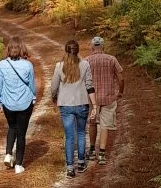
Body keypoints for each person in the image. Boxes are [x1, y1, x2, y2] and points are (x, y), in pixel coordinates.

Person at [49, 38, 96, 178]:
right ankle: (81, 162)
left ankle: (70, 167)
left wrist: (53, 96)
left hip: (66, 104)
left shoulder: (59, 66)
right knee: (81, 133)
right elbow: (90, 85)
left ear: (66, 50)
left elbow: (53, 85)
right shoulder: (85, 64)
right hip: (82, 103)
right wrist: (95, 105)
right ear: (78, 50)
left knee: (69, 136)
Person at [0, 35, 36, 174]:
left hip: (8, 104)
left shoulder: (2, 64)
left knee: (12, 127)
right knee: (21, 133)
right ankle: (18, 165)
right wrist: (33, 98)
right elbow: (31, 85)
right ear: (22, 48)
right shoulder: (28, 65)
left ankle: (7, 154)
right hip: (24, 103)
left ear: (9, 49)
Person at [86, 35, 124, 164]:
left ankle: (91, 151)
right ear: (103, 46)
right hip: (108, 97)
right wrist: (120, 92)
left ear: (92, 47)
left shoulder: (87, 61)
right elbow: (121, 78)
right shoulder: (111, 59)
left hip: (92, 99)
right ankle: (102, 153)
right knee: (105, 125)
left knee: (92, 123)